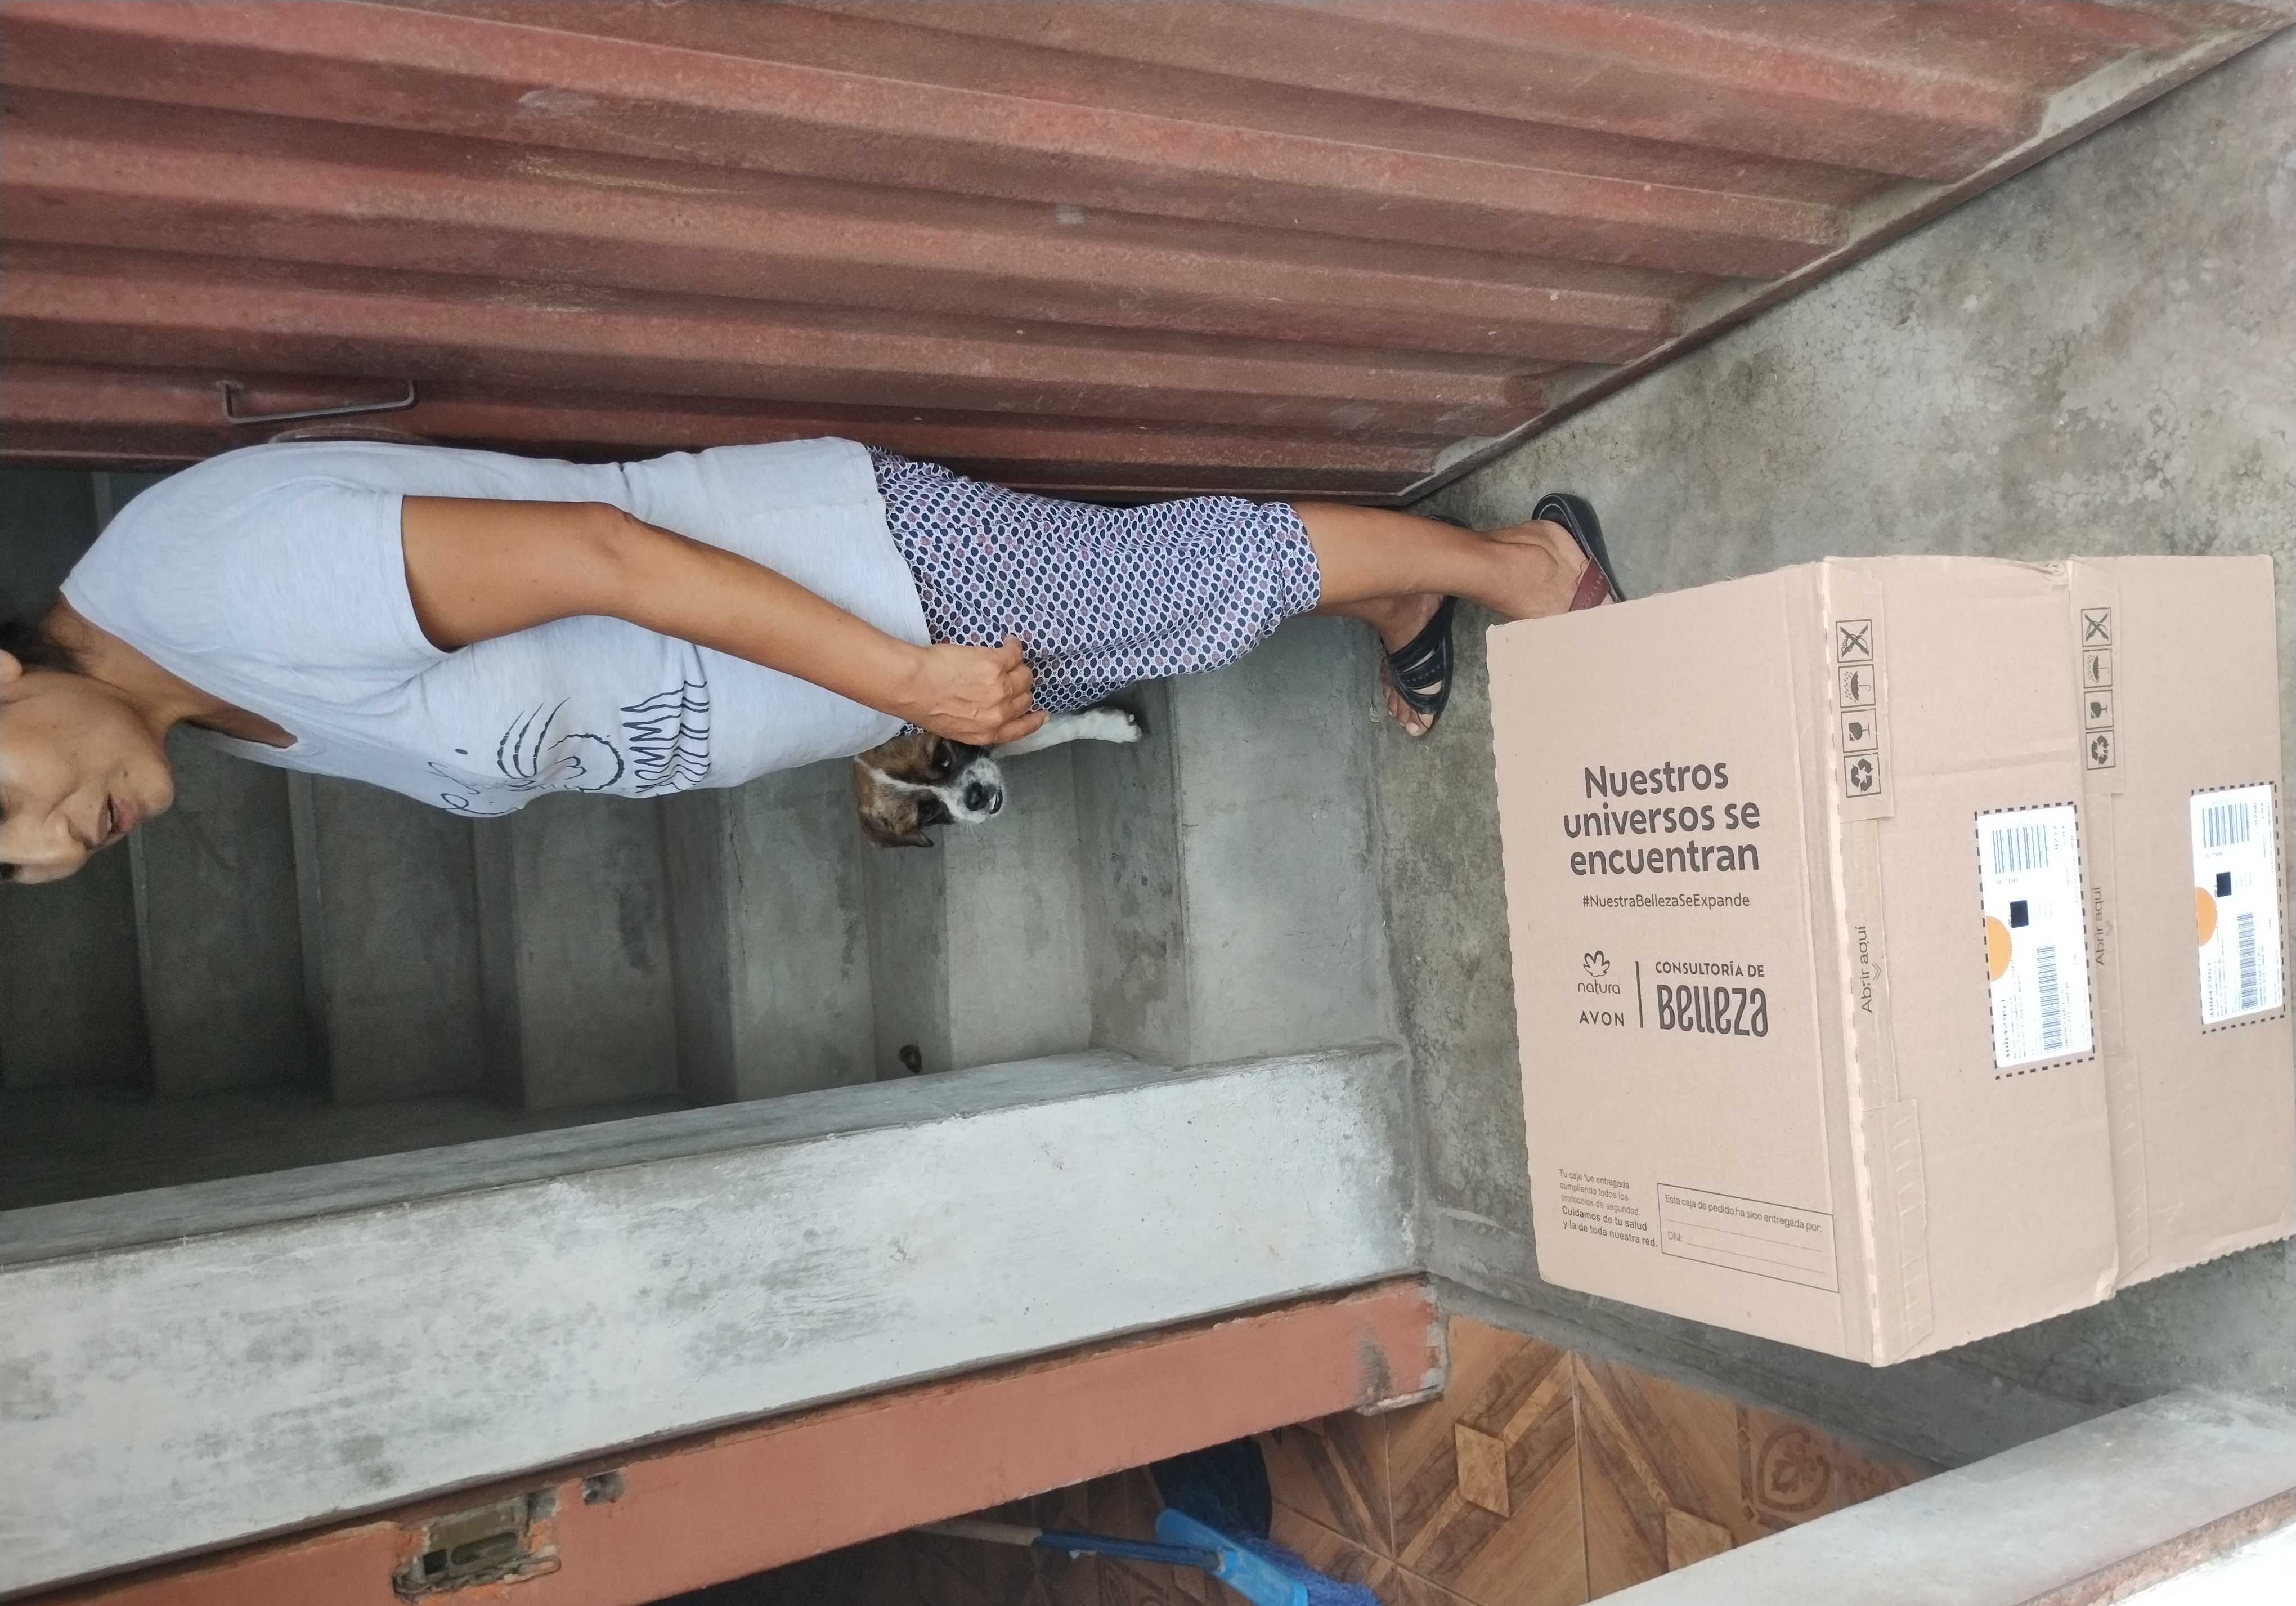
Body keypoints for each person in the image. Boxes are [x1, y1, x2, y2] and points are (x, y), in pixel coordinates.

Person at [0, 437, 1617, 885]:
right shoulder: (189, 700)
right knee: (1168, 614)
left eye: (1, 813)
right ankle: (1402, 605)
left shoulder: (209, 587)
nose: (46, 857)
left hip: (864, 575)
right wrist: (871, 707)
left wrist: (896, 678)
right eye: (11, 873)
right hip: (856, 654)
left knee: (1191, 579)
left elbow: (603, 558)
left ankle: (1527, 569)